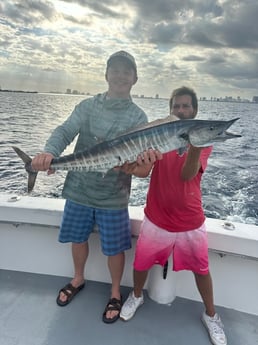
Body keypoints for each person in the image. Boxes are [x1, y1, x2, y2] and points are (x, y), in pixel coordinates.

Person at [31, 50, 148, 324]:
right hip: (79, 190)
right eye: (115, 70)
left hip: (114, 196)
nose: (120, 75)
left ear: (135, 78)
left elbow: (143, 165)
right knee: (78, 237)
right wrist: (49, 153)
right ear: (106, 74)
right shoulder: (88, 106)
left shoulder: (138, 117)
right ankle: (78, 278)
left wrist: (142, 163)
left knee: (115, 248)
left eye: (126, 71)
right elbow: (64, 131)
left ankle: (116, 292)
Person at [120, 86, 227, 345]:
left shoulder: (204, 141)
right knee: (141, 263)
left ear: (194, 110)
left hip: (190, 219)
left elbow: (187, 174)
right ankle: (136, 295)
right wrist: (128, 165)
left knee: (201, 269)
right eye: (176, 106)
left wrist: (193, 144)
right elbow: (142, 172)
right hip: (156, 215)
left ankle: (211, 314)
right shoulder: (159, 136)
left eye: (186, 106)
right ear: (171, 110)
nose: (181, 110)